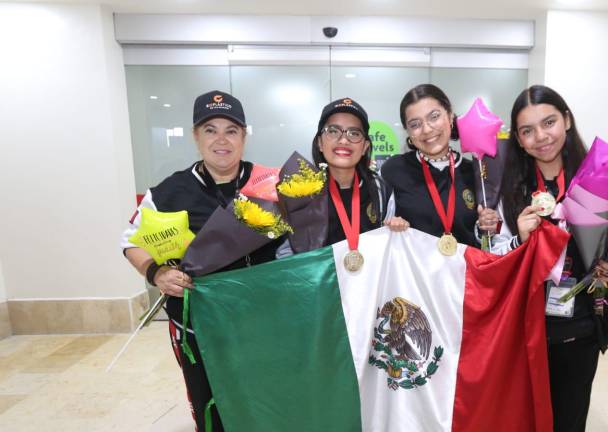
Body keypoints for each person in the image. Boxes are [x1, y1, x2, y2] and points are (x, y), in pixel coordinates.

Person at [120, 90, 280, 431]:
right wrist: (157, 272)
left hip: (261, 321)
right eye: (210, 129)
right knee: (211, 400)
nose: (221, 140)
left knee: (266, 398)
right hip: (198, 326)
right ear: (196, 136)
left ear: (244, 137)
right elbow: (129, 241)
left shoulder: (269, 184)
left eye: (231, 130)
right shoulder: (168, 192)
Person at [476, 85, 608, 432]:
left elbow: (607, 246)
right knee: (523, 419)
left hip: (580, 325)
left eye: (549, 122)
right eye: (527, 130)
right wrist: (519, 239)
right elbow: (492, 257)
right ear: (519, 139)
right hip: (524, 327)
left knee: (569, 418)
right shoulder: (507, 186)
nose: (541, 137)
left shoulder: (598, 178)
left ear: (567, 121)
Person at [278, 98, 407, 258]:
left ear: (365, 147)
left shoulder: (381, 191)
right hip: (321, 281)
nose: (344, 140)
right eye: (333, 131)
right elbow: (285, 255)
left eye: (354, 133)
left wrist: (399, 231)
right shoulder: (302, 192)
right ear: (320, 142)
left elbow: (392, 251)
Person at [380, 84, 479, 250]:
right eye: (415, 124)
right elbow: (379, 230)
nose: (426, 129)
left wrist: (487, 226)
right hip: (414, 273)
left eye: (434, 117)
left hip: (464, 273)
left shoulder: (474, 172)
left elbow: (484, 240)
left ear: (449, 115)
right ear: (408, 132)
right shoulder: (394, 170)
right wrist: (392, 227)